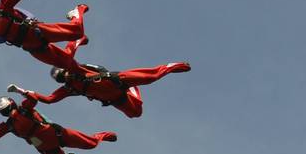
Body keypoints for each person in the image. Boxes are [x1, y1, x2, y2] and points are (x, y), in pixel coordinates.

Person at [10, 51, 191, 118]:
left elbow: (70, 52)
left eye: (63, 74)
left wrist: (79, 36)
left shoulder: (76, 69)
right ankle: (133, 91)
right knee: (136, 113)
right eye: (60, 78)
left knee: (151, 77)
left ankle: (172, 66)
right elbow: (49, 100)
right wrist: (23, 91)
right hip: (117, 98)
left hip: (118, 80)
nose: (64, 78)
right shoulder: (69, 88)